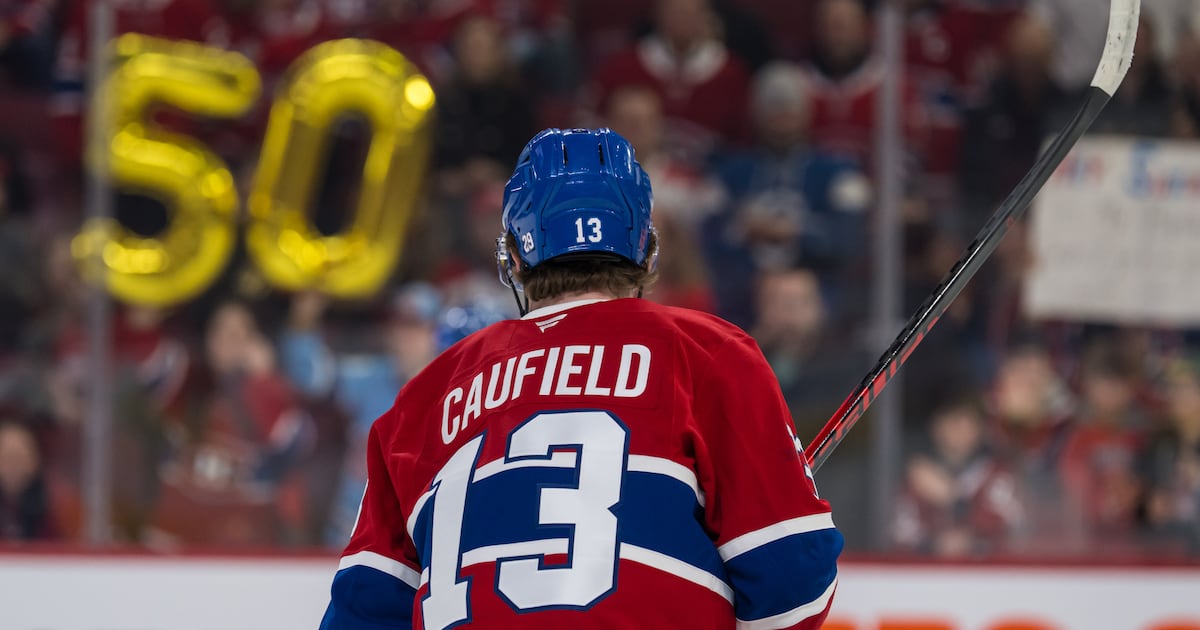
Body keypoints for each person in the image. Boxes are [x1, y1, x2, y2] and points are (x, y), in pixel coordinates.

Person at [320, 128, 842, 629]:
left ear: (515, 257)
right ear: (647, 248)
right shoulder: (707, 354)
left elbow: (362, 612)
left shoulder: (420, 401)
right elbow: (792, 579)